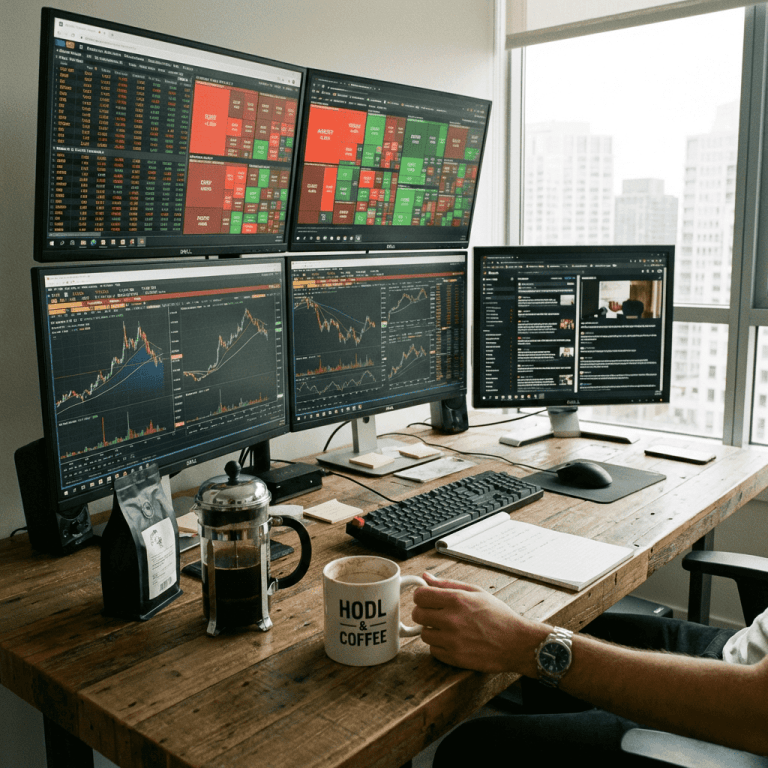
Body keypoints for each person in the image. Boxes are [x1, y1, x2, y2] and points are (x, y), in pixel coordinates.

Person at [411, 572, 768, 765]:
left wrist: (524, 643)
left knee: (471, 750)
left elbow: (757, 711)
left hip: (739, 722)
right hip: (742, 649)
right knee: (565, 631)